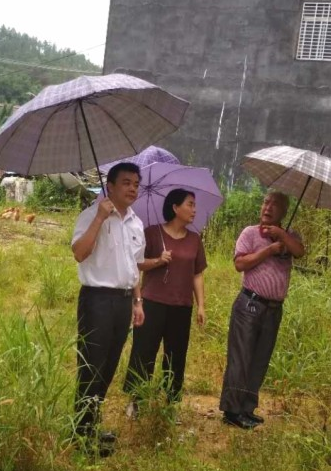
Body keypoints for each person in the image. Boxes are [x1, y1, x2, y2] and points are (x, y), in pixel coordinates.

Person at [71, 162, 146, 450]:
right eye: (126, 182)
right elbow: (79, 253)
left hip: (124, 301)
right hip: (97, 300)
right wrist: (100, 218)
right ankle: (81, 433)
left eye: (136, 184)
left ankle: (91, 425)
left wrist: (138, 301)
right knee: (91, 365)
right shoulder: (92, 214)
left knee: (109, 365)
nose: (132, 188)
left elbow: (134, 267)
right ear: (110, 186)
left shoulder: (136, 223)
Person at [219, 191, 305, 429]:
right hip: (249, 304)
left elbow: (299, 251)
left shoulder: (290, 236)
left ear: (284, 212)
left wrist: (282, 236)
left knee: (259, 360)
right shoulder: (249, 233)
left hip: (274, 309)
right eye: (266, 202)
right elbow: (239, 264)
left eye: (275, 205)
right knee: (241, 358)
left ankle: (247, 407)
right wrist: (268, 250)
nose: (268, 208)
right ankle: (232, 411)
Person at [123, 188, 207, 416]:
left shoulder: (194, 240)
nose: (194, 210)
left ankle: (171, 403)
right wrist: (158, 260)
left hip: (181, 306)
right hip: (152, 302)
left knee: (176, 355)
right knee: (144, 352)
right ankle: (136, 399)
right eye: (190, 204)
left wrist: (201, 305)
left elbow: (197, 274)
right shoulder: (151, 233)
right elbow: (137, 265)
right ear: (175, 207)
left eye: (195, 205)